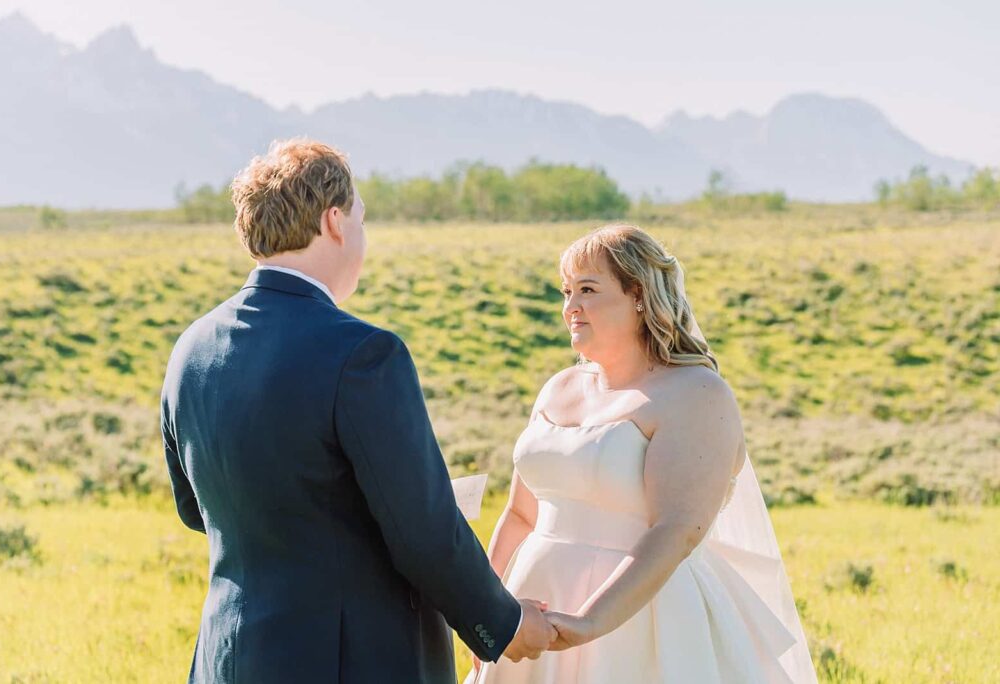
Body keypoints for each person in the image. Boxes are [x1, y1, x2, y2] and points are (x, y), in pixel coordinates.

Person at [161, 138, 556, 684]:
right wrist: (506, 625)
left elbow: (194, 509)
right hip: (355, 658)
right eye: (362, 221)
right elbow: (423, 532)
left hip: (228, 655)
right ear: (335, 221)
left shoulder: (191, 348)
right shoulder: (364, 354)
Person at [468, 225, 817, 683]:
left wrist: (591, 621)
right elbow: (519, 514)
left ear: (639, 295)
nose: (570, 307)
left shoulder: (695, 394)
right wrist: (488, 613)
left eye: (588, 290)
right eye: (566, 291)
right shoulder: (559, 388)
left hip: (643, 618)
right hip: (536, 608)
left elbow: (676, 530)